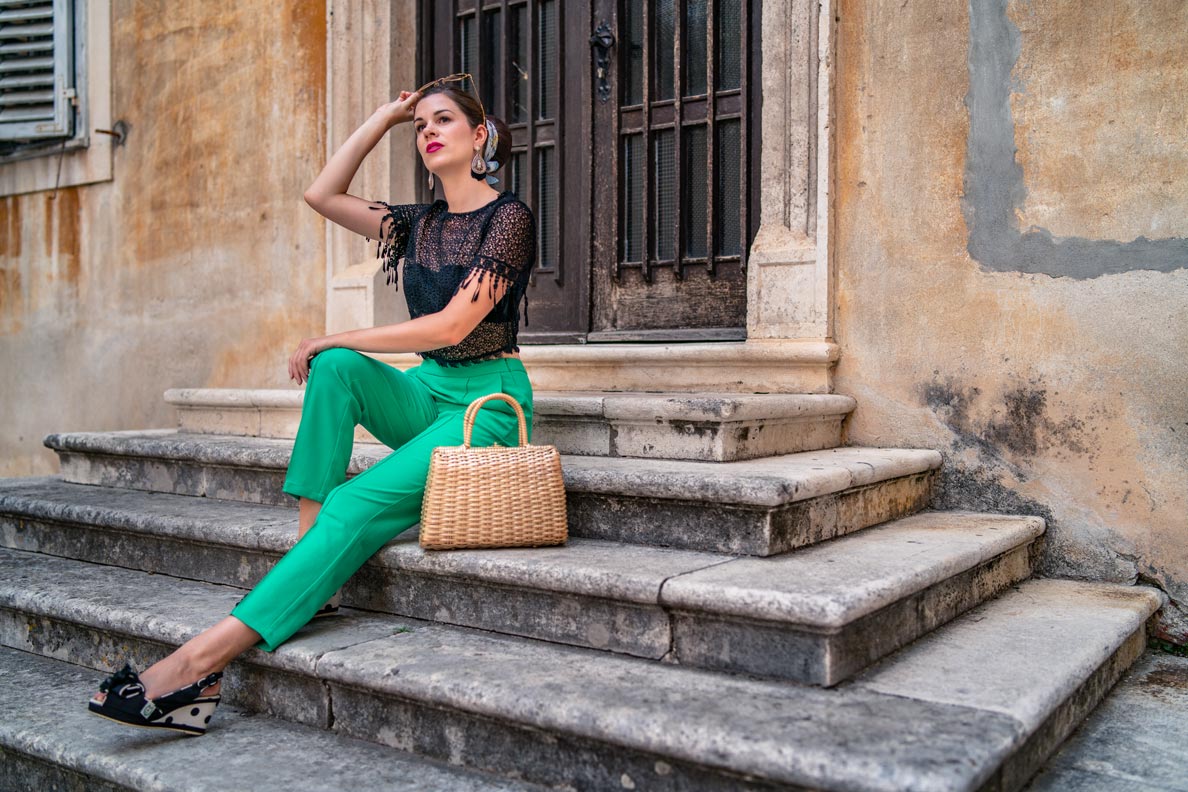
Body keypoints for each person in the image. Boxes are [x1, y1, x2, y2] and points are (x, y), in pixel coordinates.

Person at [87, 74, 536, 735]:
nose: (429, 131)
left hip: (487, 410)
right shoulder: (419, 224)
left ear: (479, 137)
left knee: (352, 491)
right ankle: (312, 570)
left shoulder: (509, 218)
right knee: (335, 369)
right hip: (427, 392)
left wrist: (337, 331)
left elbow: (449, 327)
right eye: (421, 126)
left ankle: (196, 665)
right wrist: (385, 119)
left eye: (443, 120)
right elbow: (320, 194)